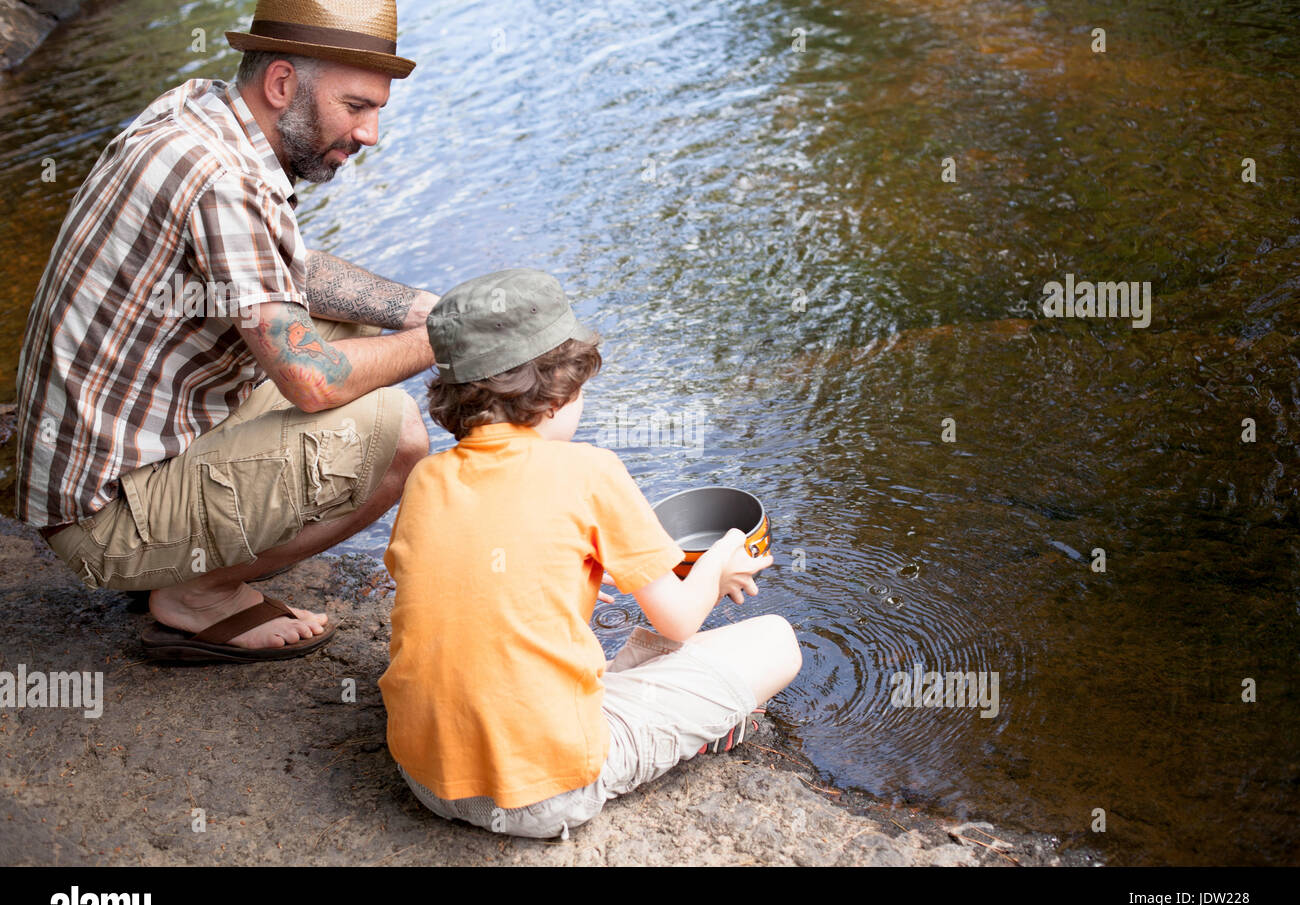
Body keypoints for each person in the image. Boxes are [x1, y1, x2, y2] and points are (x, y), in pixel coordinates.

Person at [13, 0, 436, 662]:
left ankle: (188, 557)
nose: (371, 133)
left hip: (108, 457)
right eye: (356, 106)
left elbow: (284, 269)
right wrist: (450, 339)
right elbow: (314, 382)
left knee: (359, 322)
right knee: (399, 435)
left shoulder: (199, 111)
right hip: (103, 516)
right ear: (282, 86)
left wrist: (421, 310)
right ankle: (197, 594)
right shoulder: (224, 180)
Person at [379, 268, 803, 838]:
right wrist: (718, 562)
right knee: (777, 639)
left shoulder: (427, 479)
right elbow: (676, 620)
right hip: (545, 794)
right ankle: (705, 731)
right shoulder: (591, 469)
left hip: (425, 776)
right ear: (558, 392)